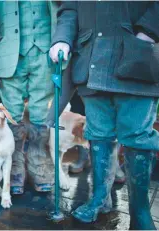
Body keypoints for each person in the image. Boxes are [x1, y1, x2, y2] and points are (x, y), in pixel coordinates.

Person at [50, 1, 159, 229]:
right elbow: (69, 9)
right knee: (98, 134)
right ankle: (100, 199)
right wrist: (62, 39)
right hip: (92, 60)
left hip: (137, 58)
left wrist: (149, 31)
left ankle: (140, 212)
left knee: (137, 136)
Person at [0, 1, 68, 194]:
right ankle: (14, 169)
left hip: (47, 53)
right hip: (8, 56)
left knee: (42, 114)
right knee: (11, 116)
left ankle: (39, 165)